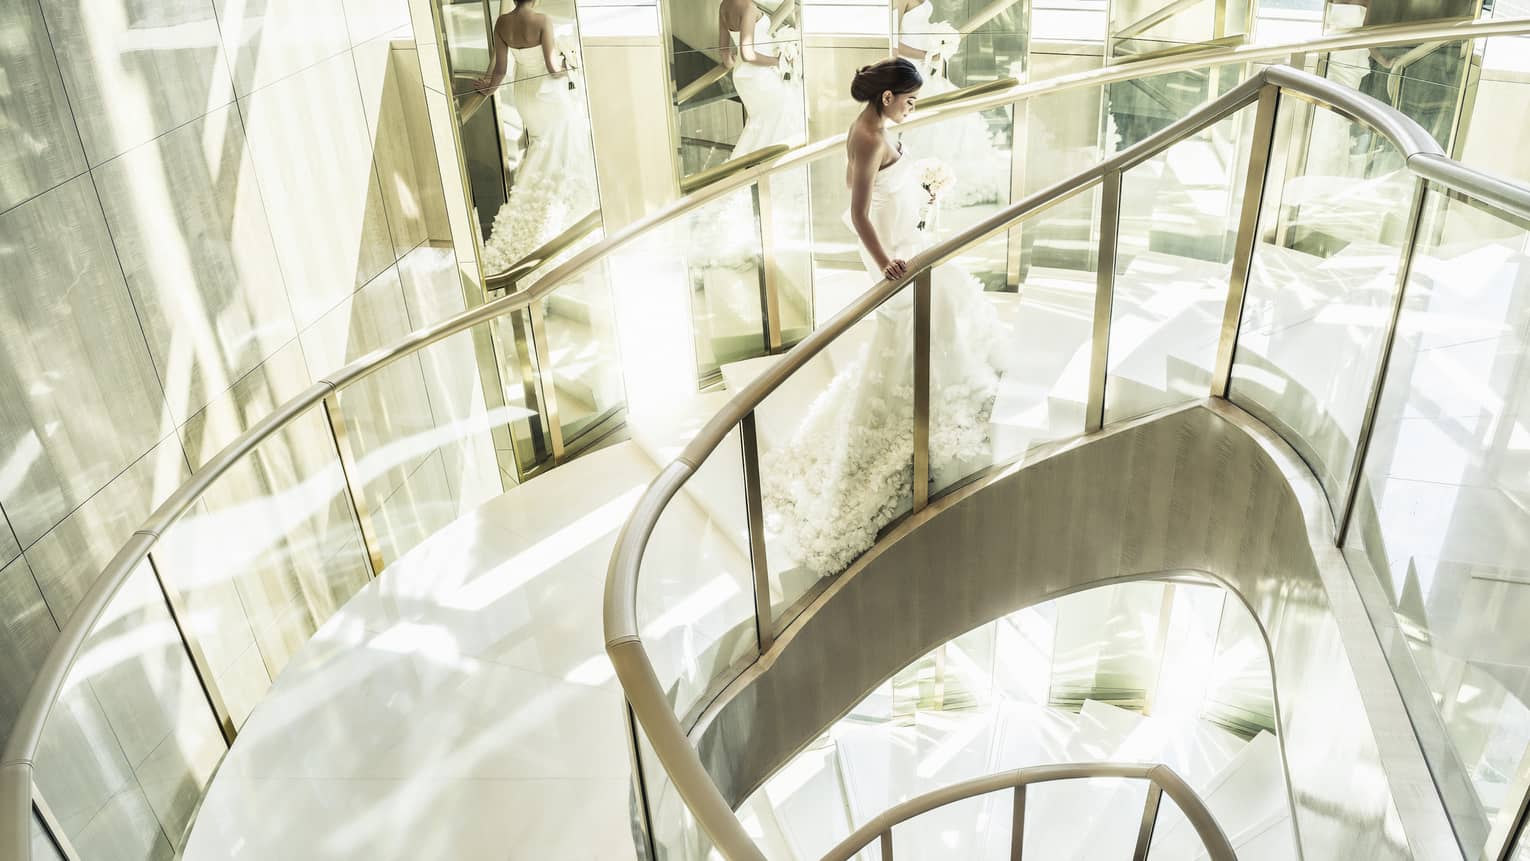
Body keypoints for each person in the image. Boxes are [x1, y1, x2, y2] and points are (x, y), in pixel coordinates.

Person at [759, 58, 1014, 578]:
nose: (913, 106)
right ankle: (916, 413)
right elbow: (855, 214)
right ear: (887, 98)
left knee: (943, 306)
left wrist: (923, 194)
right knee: (921, 319)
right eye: (910, 99)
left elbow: (885, 191)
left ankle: (939, 389)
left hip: (905, 239)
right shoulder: (868, 138)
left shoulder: (875, 128)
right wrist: (885, 265)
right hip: (894, 256)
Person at [475, 0, 598, 272]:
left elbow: (500, 70)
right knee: (563, 145)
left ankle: (529, 215)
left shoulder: (502, 23)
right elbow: (553, 68)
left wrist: (488, 89)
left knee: (542, 146)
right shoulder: (542, 20)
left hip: (525, 97)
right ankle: (559, 218)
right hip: (549, 95)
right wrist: (572, 65)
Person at [894, 0, 1008, 207]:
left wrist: (938, 40)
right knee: (938, 117)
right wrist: (927, 53)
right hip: (907, 70)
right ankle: (927, 181)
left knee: (952, 111)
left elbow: (918, 29)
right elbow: (891, 44)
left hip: (923, 67)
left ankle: (939, 179)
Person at [718, 0, 806, 157]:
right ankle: (775, 168)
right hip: (760, 75)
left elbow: (725, 55)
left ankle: (751, 169)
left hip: (743, 78)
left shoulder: (724, 5)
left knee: (762, 122)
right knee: (781, 115)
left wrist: (733, 61)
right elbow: (748, 54)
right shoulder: (748, 7)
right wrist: (777, 61)